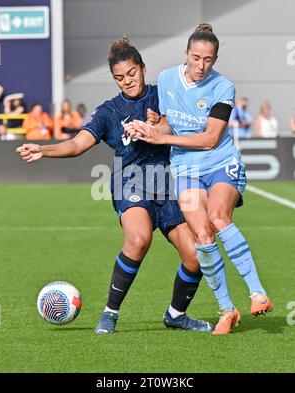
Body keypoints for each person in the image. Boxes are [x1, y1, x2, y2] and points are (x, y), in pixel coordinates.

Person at [16, 36, 214, 335]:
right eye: (119, 77)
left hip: (170, 183)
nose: (127, 81)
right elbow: (77, 143)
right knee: (138, 239)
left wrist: (161, 124)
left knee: (196, 255)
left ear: (143, 69)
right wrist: (44, 149)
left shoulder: (167, 95)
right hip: (130, 180)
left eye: (132, 74)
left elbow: (192, 127)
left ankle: (176, 315)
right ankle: (110, 314)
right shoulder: (109, 111)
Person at [125, 23, 272, 335]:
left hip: (220, 162)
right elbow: (166, 125)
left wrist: (160, 140)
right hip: (185, 170)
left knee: (218, 218)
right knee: (202, 237)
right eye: (196, 58)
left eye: (208, 59)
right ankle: (226, 310)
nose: (201, 65)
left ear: (215, 60)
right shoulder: (166, 79)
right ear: (186, 55)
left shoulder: (223, 87)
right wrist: (148, 130)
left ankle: (257, 292)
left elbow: (209, 138)